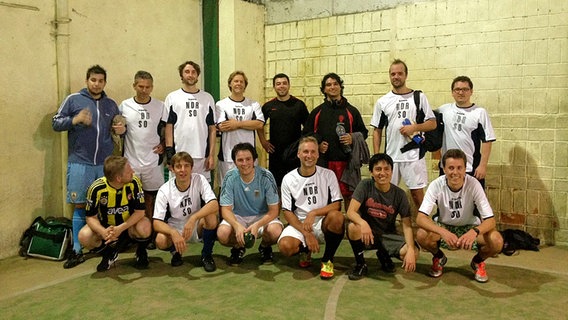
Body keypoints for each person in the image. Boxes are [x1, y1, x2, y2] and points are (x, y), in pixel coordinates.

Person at [52, 65, 125, 269]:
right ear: (87, 80)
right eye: (93, 80)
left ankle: (106, 246)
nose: (97, 84)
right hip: (80, 162)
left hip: (104, 163)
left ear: (105, 82)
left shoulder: (111, 104)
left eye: (101, 80)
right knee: (80, 205)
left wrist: (121, 129)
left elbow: (118, 127)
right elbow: (56, 123)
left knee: (106, 207)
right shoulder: (73, 100)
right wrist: (75, 119)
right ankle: (76, 250)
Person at [416, 149, 503, 283]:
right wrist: (443, 232)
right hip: (444, 226)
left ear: (465, 169)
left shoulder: (474, 184)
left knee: (496, 240)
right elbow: (420, 218)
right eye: (450, 168)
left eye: (459, 168)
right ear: (444, 169)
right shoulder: (436, 185)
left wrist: (474, 232)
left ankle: (478, 262)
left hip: (469, 227)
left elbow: (490, 221)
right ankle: (438, 257)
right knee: (422, 234)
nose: (455, 172)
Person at [370, 59, 437, 211]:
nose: (396, 76)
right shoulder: (383, 101)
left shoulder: (419, 97)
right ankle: (387, 228)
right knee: (386, 196)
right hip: (391, 157)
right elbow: (377, 130)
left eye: (400, 73)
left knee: (417, 194)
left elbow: (432, 123)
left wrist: (415, 127)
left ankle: (428, 229)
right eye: (393, 74)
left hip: (413, 155)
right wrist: (377, 156)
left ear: (406, 75)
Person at [278, 136, 345, 279]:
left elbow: (337, 204)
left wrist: (314, 213)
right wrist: (307, 234)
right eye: (306, 152)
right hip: (300, 223)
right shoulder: (288, 179)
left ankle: (327, 260)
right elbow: (287, 212)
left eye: (313, 152)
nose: (309, 156)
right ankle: (304, 250)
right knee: (285, 246)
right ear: (298, 154)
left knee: (337, 218)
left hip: (322, 222)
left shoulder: (328, 175)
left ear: (318, 154)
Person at [346, 153, 419, 280]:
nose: (382, 173)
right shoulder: (365, 185)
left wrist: (412, 249)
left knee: (411, 252)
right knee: (353, 227)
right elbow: (350, 212)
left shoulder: (399, 194)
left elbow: (406, 224)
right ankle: (360, 264)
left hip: (387, 235)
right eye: (378, 169)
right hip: (367, 234)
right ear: (371, 172)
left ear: (391, 171)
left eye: (386, 169)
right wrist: (363, 223)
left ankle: (384, 254)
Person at [302, 73, 368, 210]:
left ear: (340, 86)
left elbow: (364, 133)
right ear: (324, 89)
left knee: (350, 198)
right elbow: (306, 136)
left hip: (347, 163)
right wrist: (317, 146)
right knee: (328, 199)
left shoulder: (351, 111)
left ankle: (351, 229)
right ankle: (332, 230)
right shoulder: (317, 112)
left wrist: (353, 137)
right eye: (328, 85)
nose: (332, 87)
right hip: (325, 163)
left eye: (335, 84)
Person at [78, 156, 152, 272]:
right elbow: (90, 217)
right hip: (108, 228)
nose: (133, 172)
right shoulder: (96, 188)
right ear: (118, 178)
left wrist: (120, 228)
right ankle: (108, 255)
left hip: (128, 226)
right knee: (84, 236)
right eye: (129, 171)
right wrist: (103, 232)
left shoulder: (134, 182)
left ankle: (141, 252)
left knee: (145, 226)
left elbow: (140, 212)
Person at [217, 143, 282, 265]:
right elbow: (225, 210)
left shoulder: (266, 176)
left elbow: (274, 210)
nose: (244, 163)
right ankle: (238, 247)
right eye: (240, 160)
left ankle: (265, 246)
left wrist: (257, 225)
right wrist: (236, 225)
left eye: (248, 159)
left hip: (262, 216)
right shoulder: (229, 177)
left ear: (254, 160)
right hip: (238, 216)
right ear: (235, 162)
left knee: (275, 231)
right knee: (222, 234)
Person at [153, 152, 219, 272]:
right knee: (160, 240)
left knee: (211, 217)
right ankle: (176, 252)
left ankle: (207, 255)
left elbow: (214, 204)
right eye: (178, 166)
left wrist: (193, 218)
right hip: (176, 227)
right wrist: (173, 232)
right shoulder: (164, 190)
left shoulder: (199, 179)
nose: (183, 170)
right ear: (172, 169)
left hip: (195, 225)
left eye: (186, 166)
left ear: (191, 168)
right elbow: (156, 222)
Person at [119, 70, 166, 227]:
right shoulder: (125, 105)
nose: (144, 90)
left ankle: (152, 232)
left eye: (147, 87)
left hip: (153, 160)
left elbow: (168, 129)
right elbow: (118, 129)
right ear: (134, 86)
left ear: (152, 87)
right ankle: (131, 233)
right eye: (141, 86)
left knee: (152, 199)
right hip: (131, 160)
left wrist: (165, 145)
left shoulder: (160, 106)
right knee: (130, 198)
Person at [438, 76, 496, 188]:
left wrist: (483, 166)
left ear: (471, 91)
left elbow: (487, 140)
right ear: (452, 92)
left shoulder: (479, 113)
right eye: (457, 89)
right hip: (448, 168)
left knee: (474, 203)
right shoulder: (444, 110)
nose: (461, 92)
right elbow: (428, 121)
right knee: (445, 201)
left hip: (471, 168)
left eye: (465, 89)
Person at [164, 61, 216, 182]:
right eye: (187, 72)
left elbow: (212, 129)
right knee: (179, 191)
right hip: (179, 155)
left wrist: (211, 155)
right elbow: (169, 127)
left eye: (193, 72)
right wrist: (170, 155)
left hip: (201, 156)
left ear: (197, 75)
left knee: (201, 192)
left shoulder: (207, 98)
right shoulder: (172, 97)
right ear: (181, 75)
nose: (190, 75)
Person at [257, 73, 309, 186]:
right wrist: (263, 142)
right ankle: (279, 204)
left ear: (289, 85)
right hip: (275, 153)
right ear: (274, 87)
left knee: (296, 183)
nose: (281, 86)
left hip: (295, 152)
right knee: (277, 185)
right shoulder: (268, 106)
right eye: (278, 84)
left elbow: (308, 128)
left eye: (284, 83)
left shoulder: (299, 105)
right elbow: (259, 125)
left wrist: (303, 146)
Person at [215, 71, 265, 182]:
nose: (238, 84)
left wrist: (236, 124)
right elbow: (222, 126)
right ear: (230, 84)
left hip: (249, 157)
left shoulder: (253, 104)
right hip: (228, 156)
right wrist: (248, 124)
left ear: (245, 85)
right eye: (236, 81)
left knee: (250, 186)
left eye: (241, 82)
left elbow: (259, 124)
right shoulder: (221, 104)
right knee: (227, 188)